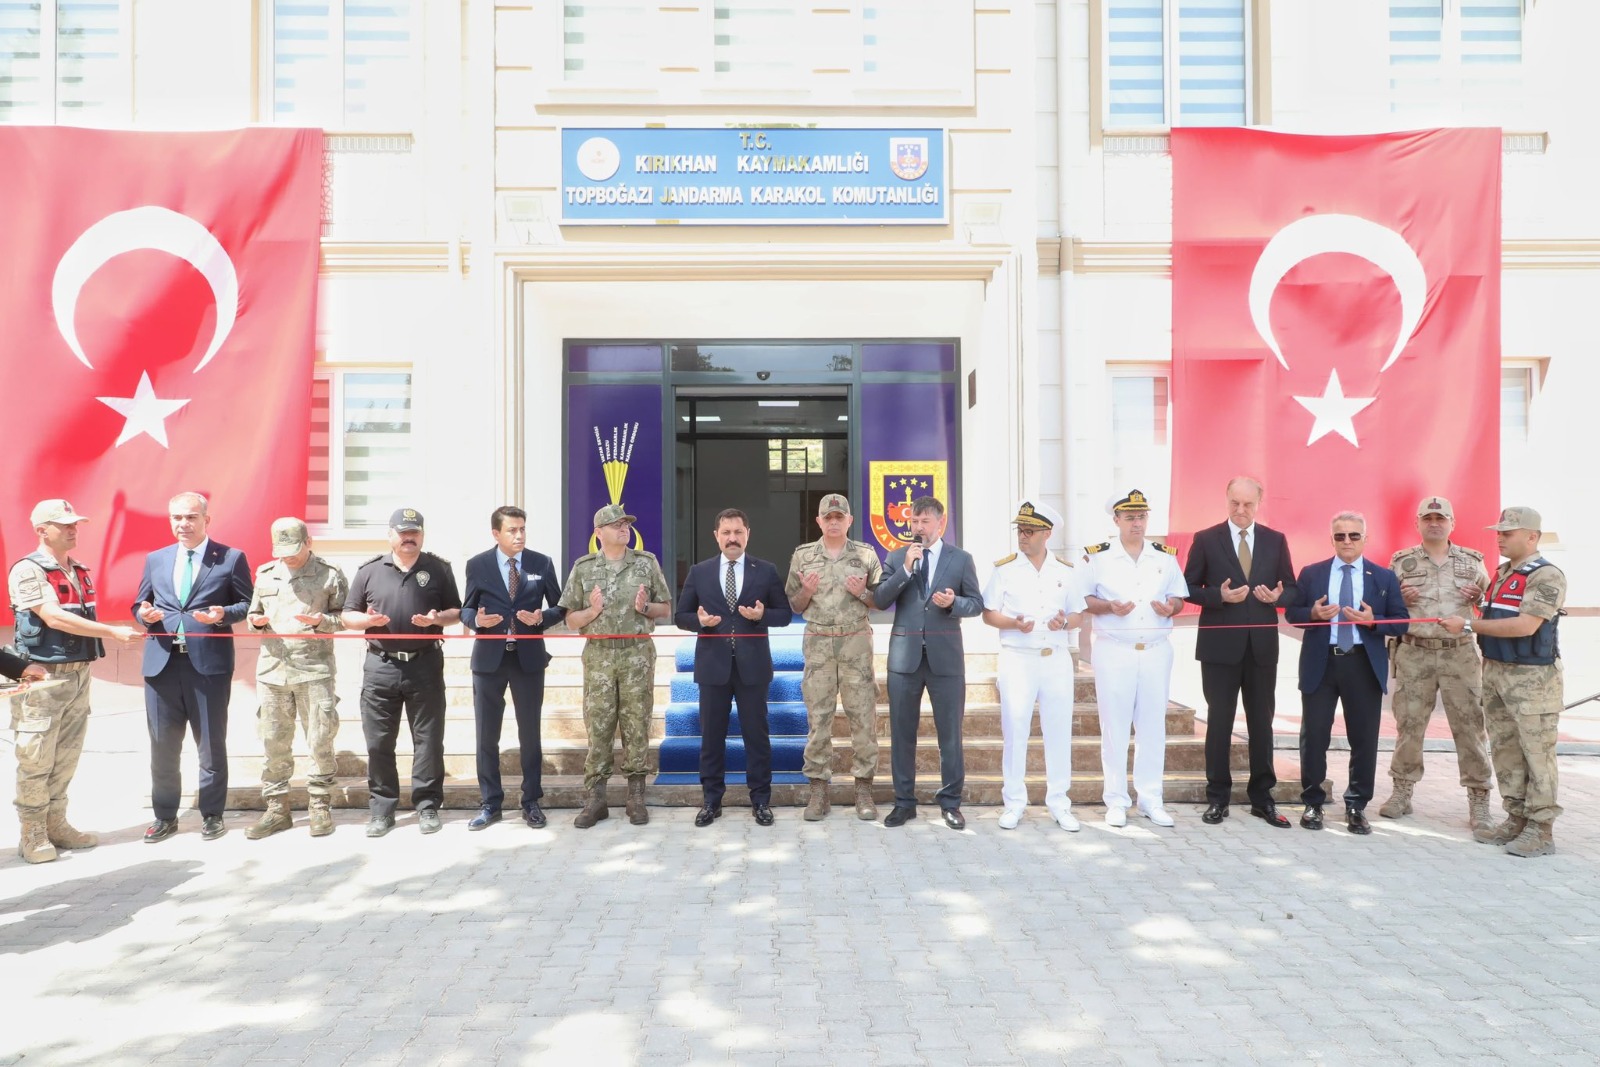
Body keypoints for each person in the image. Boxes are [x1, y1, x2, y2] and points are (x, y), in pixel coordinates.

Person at [8, 500, 136, 863]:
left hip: (78, 672)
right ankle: (32, 832)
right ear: (41, 530)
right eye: (63, 524)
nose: (72, 528)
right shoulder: (28, 570)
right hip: (42, 676)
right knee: (35, 757)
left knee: (66, 755)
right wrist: (112, 631)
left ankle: (56, 822)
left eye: (75, 523)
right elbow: (54, 618)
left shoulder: (79, 570)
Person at [1440, 506, 1566, 858]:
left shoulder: (1547, 576)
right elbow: (1503, 614)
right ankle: (1516, 817)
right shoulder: (1503, 572)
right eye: (1499, 531)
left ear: (1532, 536)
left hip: (1532, 680)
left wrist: (1468, 625)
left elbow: (1526, 626)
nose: (1500, 537)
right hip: (1496, 672)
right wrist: (1480, 603)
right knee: (1507, 749)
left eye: (1508, 533)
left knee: (1536, 754)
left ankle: (1541, 829)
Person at [133, 492, 254, 844]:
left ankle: (212, 814)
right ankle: (165, 815)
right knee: (163, 745)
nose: (182, 524)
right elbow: (140, 604)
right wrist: (143, 614)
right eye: (176, 518)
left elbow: (245, 603)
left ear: (206, 520)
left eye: (190, 517)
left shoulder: (230, 558)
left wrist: (223, 615)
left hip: (208, 665)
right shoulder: (156, 559)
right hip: (162, 665)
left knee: (211, 744)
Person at [1182, 476, 1299, 828]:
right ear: (1227, 500)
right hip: (1219, 647)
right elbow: (1187, 586)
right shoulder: (1206, 539)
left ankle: (1262, 797)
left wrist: (1278, 598)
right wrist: (1218, 595)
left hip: (1261, 646)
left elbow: (1291, 587)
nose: (1241, 510)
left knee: (1262, 722)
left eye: (1248, 504)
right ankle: (1217, 797)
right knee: (1219, 721)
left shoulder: (1275, 540)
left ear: (1259, 502)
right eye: (1235, 502)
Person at [1285, 512, 1409, 835]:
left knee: (1364, 739)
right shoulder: (1312, 574)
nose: (1347, 542)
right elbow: (1293, 613)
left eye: (1354, 535)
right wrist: (1312, 613)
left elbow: (1401, 622)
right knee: (1314, 736)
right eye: (1340, 536)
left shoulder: (1382, 578)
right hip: (1321, 661)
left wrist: (1372, 621)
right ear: (1332, 539)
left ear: (1365, 539)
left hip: (1362, 664)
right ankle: (1313, 802)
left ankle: (1356, 806)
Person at [341, 508, 462, 838]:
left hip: (425, 663)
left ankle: (427, 806)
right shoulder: (369, 571)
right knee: (379, 741)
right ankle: (382, 809)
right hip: (381, 665)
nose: (410, 537)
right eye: (403, 532)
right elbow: (347, 615)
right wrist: (366, 622)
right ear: (390, 534)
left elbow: (457, 611)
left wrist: (438, 618)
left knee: (428, 739)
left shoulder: (438, 568)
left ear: (422, 535)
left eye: (415, 532)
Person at [675, 508, 794, 827]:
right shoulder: (700, 572)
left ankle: (761, 801)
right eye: (726, 532)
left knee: (757, 735)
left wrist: (761, 616)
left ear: (747, 534)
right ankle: (711, 801)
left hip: (752, 667)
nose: (732, 538)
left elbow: (784, 614)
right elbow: (680, 616)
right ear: (716, 536)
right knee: (711, 737)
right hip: (713, 667)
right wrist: (698, 622)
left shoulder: (765, 571)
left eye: (738, 532)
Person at [1380, 496, 1493, 830]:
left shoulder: (1473, 562)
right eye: (1427, 518)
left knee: (1470, 727)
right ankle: (1402, 791)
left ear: (1451, 523)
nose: (1434, 523)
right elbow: (1385, 609)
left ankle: (1479, 800)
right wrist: (1398, 599)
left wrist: (1479, 598)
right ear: (1417, 523)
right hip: (1415, 652)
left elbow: (1493, 608)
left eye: (1440, 518)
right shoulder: (1401, 563)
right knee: (1409, 726)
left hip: (1459, 653)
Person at [872, 496, 983, 830]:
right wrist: (906, 568)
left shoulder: (961, 559)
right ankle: (904, 803)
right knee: (902, 735)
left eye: (925, 521)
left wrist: (954, 603)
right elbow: (880, 599)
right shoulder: (896, 557)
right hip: (905, 660)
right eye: (914, 521)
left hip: (945, 659)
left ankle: (950, 802)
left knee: (949, 735)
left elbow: (976, 603)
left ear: (940, 522)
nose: (918, 527)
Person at [1079, 490, 1189, 828]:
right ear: (1116, 520)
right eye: (1129, 517)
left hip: (1156, 650)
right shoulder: (1097, 557)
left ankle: (1150, 798)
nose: (1137, 522)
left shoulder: (1164, 557)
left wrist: (1172, 607)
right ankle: (1115, 799)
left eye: (1141, 516)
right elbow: (1084, 600)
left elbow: (1179, 599)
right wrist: (1108, 606)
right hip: (1115, 649)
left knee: (1153, 726)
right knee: (1114, 727)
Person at [558, 503, 672, 829]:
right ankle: (596, 799)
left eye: (625, 524)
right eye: (616, 525)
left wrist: (645, 606)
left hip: (636, 653)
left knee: (637, 723)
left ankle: (636, 795)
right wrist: (591, 612)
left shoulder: (646, 563)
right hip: (599, 656)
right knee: (599, 725)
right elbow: (569, 620)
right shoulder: (583, 568)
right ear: (599, 533)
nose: (623, 528)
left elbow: (664, 609)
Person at [981, 501, 1084, 831]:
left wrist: (1064, 622)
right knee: (1015, 731)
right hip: (1018, 658)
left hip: (1054, 659)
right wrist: (1012, 623)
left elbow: (1078, 613)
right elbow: (988, 613)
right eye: (1020, 530)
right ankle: (1014, 801)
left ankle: (1059, 802)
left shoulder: (1066, 571)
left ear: (1047, 534)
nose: (1022, 537)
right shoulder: (1005, 568)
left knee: (1058, 731)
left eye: (1029, 531)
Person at [243, 517, 348, 840]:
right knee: (273, 740)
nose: (287, 556)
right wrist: (257, 622)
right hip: (273, 671)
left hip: (314, 670)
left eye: (294, 549)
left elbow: (344, 618)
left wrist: (322, 622)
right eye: (282, 550)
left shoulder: (330, 575)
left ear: (308, 542)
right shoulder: (265, 574)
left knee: (319, 739)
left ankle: (319, 805)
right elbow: (251, 616)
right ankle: (277, 809)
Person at [461, 506, 564, 831]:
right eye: (512, 530)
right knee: (485, 737)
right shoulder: (477, 565)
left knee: (530, 733)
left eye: (522, 529)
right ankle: (490, 804)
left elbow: (560, 606)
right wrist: (476, 621)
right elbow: (466, 609)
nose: (519, 535)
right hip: (490, 660)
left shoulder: (541, 563)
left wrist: (541, 619)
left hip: (528, 659)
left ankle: (531, 801)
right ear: (496, 534)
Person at [785, 494, 884, 822]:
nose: (833, 521)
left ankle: (863, 790)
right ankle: (818, 790)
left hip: (856, 643)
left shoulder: (866, 556)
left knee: (863, 719)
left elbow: (880, 601)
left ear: (849, 520)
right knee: (819, 720)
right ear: (819, 521)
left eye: (839, 517)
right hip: (819, 647)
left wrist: (862, 593)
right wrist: (807, 592)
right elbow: (795, 605)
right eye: (828, 517)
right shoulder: (803, 556)